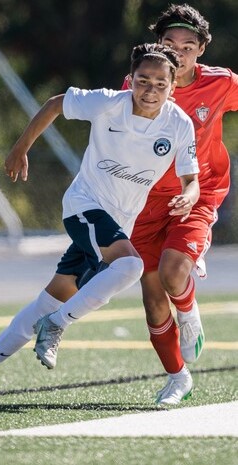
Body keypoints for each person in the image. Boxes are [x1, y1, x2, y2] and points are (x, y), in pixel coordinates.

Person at [0, 43, 199, 402]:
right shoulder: (108, 103)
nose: (150, 90)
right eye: (142, 81)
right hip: (84, 206)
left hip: (119, 221)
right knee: (131, 265)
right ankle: (58, 324)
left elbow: (191, 181)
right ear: (130, 80)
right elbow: (56, 103)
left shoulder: (179, 125)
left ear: (173, 86)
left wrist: (189, 196)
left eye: (159, 84)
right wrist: (20, 147)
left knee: (52, 296)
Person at [120, 4, 238, 405]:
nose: (178, 52)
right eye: (169, 43)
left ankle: (189, 314)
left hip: (198, 193)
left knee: (173, 274)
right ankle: (177, 378)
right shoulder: (139, 85)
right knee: (152, 296)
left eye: (188, 45)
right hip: (144, 201)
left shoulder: (220, 83)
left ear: (201, 49)